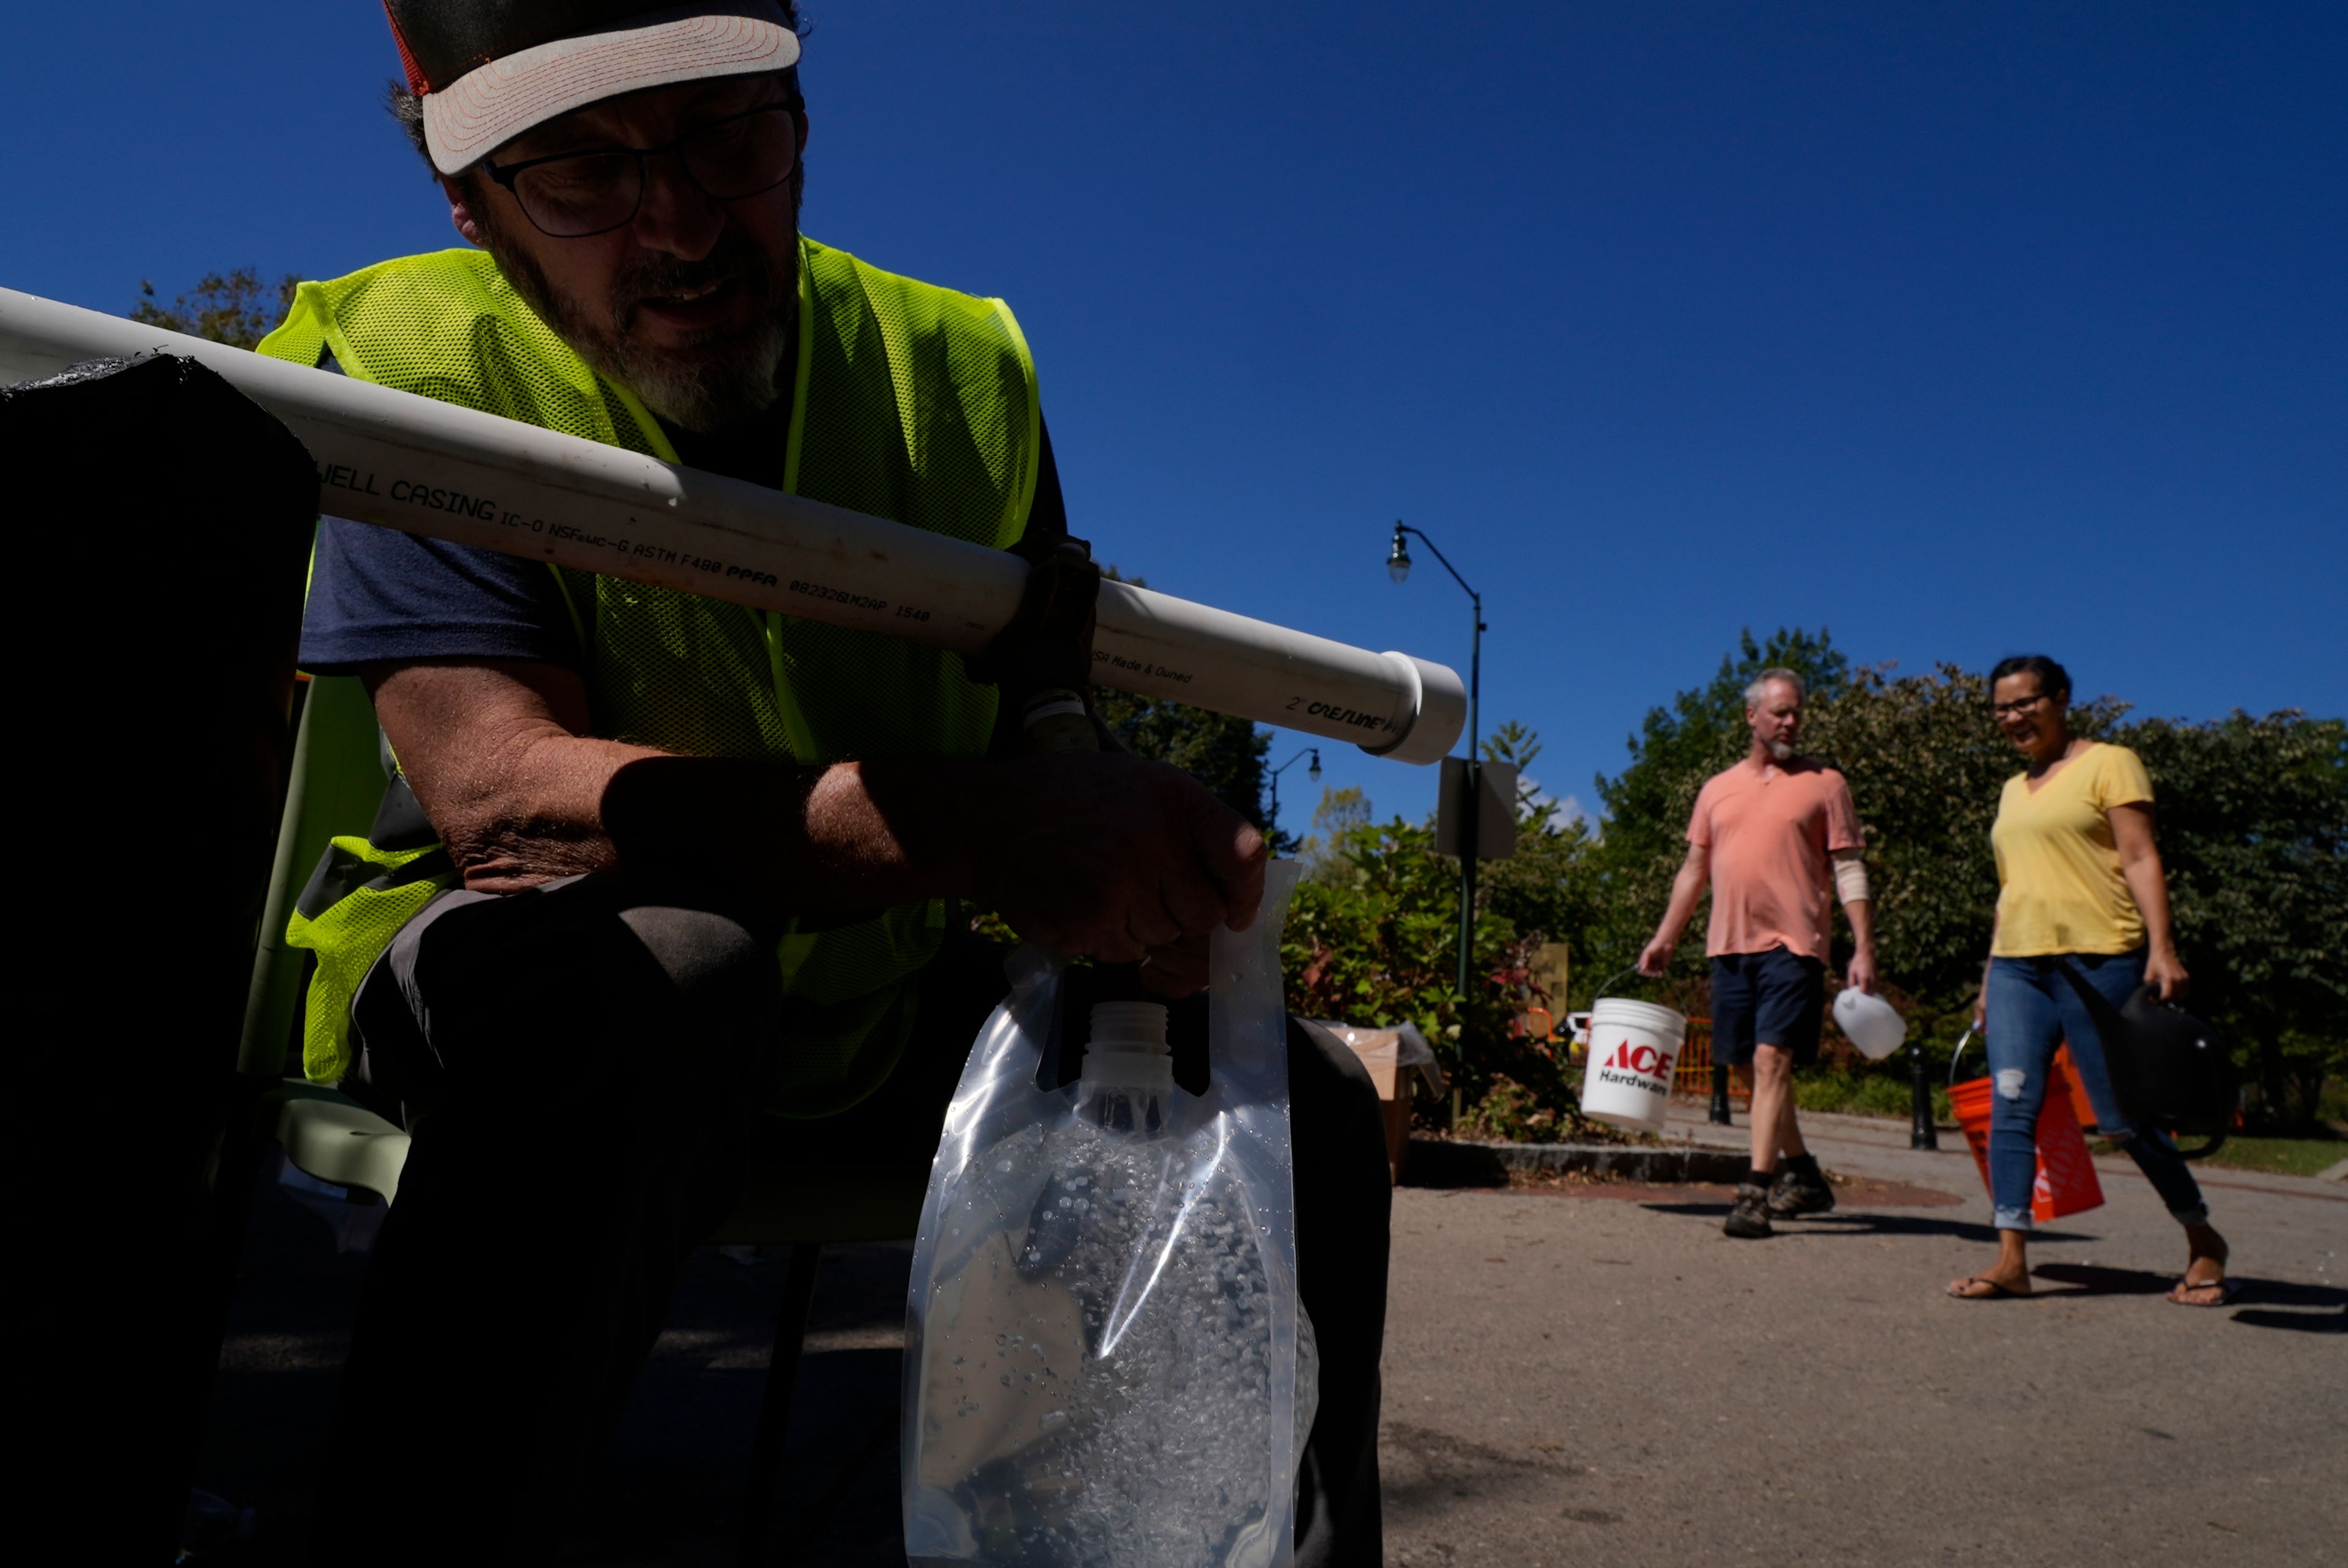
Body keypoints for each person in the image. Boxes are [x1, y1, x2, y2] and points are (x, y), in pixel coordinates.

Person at [264, 4, 1391, 1559]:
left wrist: (1121, 855)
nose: (678, 226)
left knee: (1303, 1089)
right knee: (658, 975)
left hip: (873, 978)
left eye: (726, 135)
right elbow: (497, 796)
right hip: (515, 960)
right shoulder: (404, 361)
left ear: (801, 123)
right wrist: (978, 828)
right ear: (470, 204)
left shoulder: (959, 369)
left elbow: (1041, 709)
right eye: (576, 174)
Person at [1945, 655, 2228, 1306]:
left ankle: (2203, 1239)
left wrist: (2163, 948)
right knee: (2013, 1107)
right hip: (2019, 964)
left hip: (2099, 961)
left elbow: (2139, 855)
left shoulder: (2111, 762)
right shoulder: (2014, 789)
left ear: (2061, 699)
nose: (2013, 717)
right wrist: (1990, 975)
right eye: (2001, 709)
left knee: (2122, 1120)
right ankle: (2011, 1258)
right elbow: (2010, 889)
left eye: (2025, 703)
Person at [1639, 668, 1878, 1239]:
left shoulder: (1826, 784)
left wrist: (1863, 944)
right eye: (1780, 712)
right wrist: (1667, 935)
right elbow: (1694, 869)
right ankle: (1804, 1174)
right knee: (1749, 1066)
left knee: (1773, 1061)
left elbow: (1848, 867)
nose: (1791, 722)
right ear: (1752, 717)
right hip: (1728, 946)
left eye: (1797, 712)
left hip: (1795, 945)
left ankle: (1755, 1192)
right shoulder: (1717, 789)